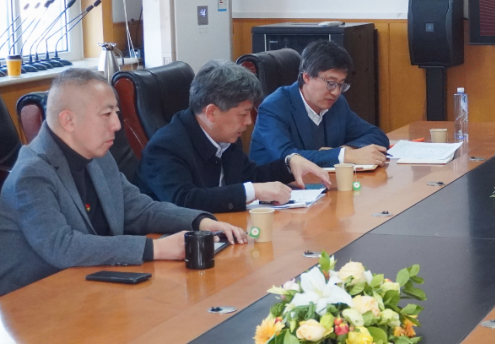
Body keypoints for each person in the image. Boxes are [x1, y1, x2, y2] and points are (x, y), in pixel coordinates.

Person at [0, 69, 246, 296]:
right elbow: (62, 246)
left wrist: (200, 222)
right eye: (106, 114)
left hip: (93, 287)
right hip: (38, 301)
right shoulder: (32, 173)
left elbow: (140, 209)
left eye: (116, 114)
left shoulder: (99, 157)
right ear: (69, 121)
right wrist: (157, 249)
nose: (117, 125)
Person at [139, 61, 331, 213]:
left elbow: (250, 176)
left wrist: (289, 164)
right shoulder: (165, 147)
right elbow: (184, 201)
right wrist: (253, 191)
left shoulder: (225, 137)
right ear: (212, 112)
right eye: (243, 114)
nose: (249, 122)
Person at [249, 41, 389, 168]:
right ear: (306, 77)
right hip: (278, 185)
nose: (336, 92)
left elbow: (376, 135)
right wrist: (344, 156)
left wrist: (347, 150)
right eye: (331, 83)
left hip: (321, 182)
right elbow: (287, 157)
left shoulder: (337, 104)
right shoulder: (274, 107)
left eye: (341, 84)